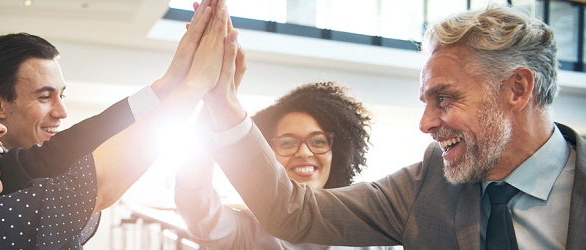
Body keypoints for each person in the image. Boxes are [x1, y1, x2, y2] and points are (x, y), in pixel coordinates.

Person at [0, 0, 240, 248]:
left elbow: (79, 147)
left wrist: (168, 86)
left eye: (62, 95)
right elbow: (94, 180)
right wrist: (192, 87)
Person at [200, 4, 585, 249]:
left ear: (517, 89)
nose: (426, 123)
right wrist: (224, 105)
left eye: (445, 98)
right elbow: (293, 212)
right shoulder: (429, 185)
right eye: (426, 101)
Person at [0, 2, 243, 194]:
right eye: (44, 97)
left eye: (61, 95)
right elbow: (67, 150)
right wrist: (182, 83)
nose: (62, 112)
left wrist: (169, 84)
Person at [176, 82, 389, 249]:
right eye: (287, 143)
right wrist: (215, 99)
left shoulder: (367, 231)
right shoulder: (251, 233)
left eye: (318, 142)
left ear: (339, 153)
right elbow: (198, 208)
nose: (304, 153)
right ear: (268, 154)